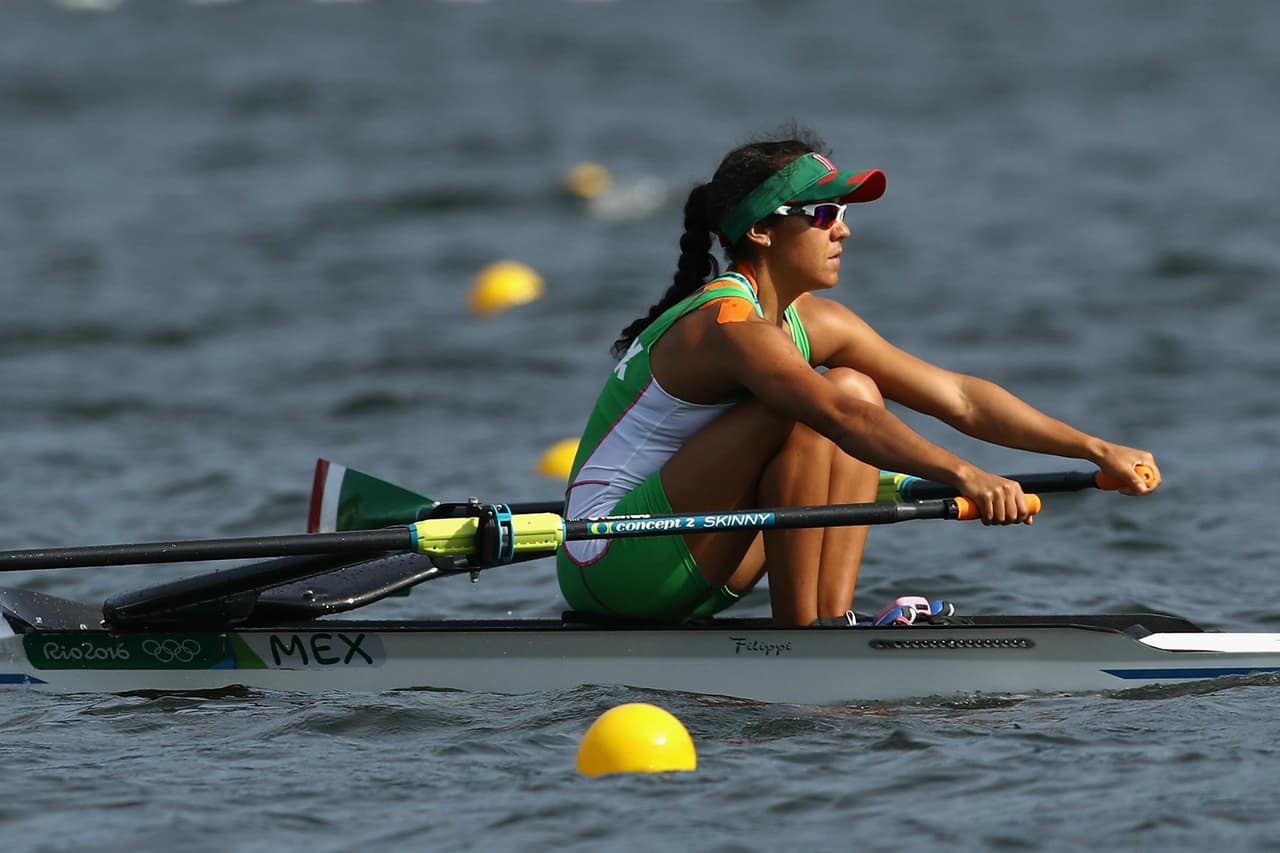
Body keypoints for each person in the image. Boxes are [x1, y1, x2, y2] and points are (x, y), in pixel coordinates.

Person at [555, 129, 1160, 627]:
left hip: (701, 553)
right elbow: (843, 418)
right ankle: (804, 638)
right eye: (823, 214)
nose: (842, 229)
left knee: (854, 387)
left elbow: (960, 398)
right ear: (761, 230)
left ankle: (828, 623)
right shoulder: (727, 326)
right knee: (836, 399)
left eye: (842, 213)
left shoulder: (815, 322)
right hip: (608, 558)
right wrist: (968, 476)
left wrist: (1094, 447)